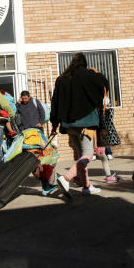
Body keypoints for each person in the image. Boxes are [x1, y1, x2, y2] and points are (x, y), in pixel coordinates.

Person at [50, 54, 109, 195]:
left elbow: (55, 103)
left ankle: (86, 187)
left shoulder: (62, 79)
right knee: (88, 154)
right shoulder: (90, 75)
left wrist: (54, 124)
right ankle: (66, 178)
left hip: (69, 125)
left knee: (81, 156)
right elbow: (104, 85)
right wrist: (97, 73)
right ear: (85, 64)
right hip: (86, 123)